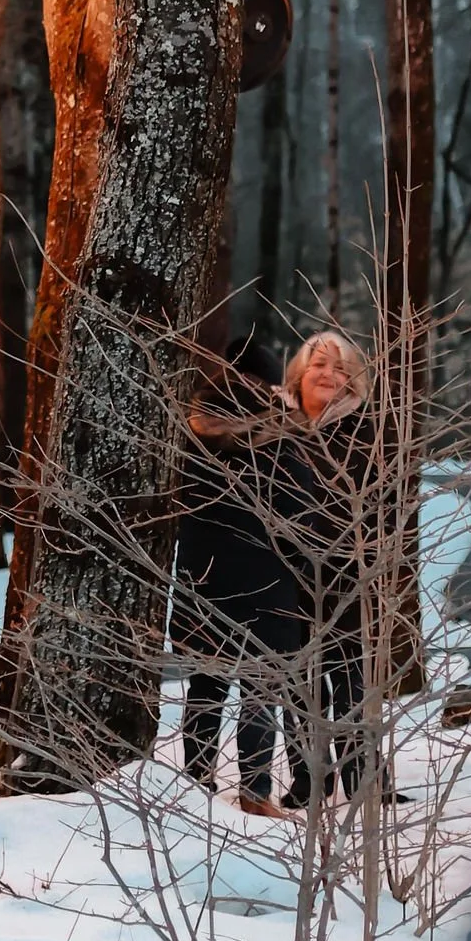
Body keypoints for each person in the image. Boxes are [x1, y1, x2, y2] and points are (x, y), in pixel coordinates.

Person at [175, 333, 300, 812]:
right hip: (266, 575)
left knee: (206, 685)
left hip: (202, 575)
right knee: (260, 686)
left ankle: (196, 780)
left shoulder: (191, 429)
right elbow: (298, 507)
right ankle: (255, 791)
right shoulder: (278, 435)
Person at [274, 328, 375, 805]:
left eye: (340, 367)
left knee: (350, 678)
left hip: (348, 571)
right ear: (298, 373)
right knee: (299, 683)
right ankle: (309, 779)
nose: (329, 374)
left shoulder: (366, 429)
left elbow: (383, 506)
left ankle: (361, 779)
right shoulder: (275, 427)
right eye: (318, 365)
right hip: (285, 573)